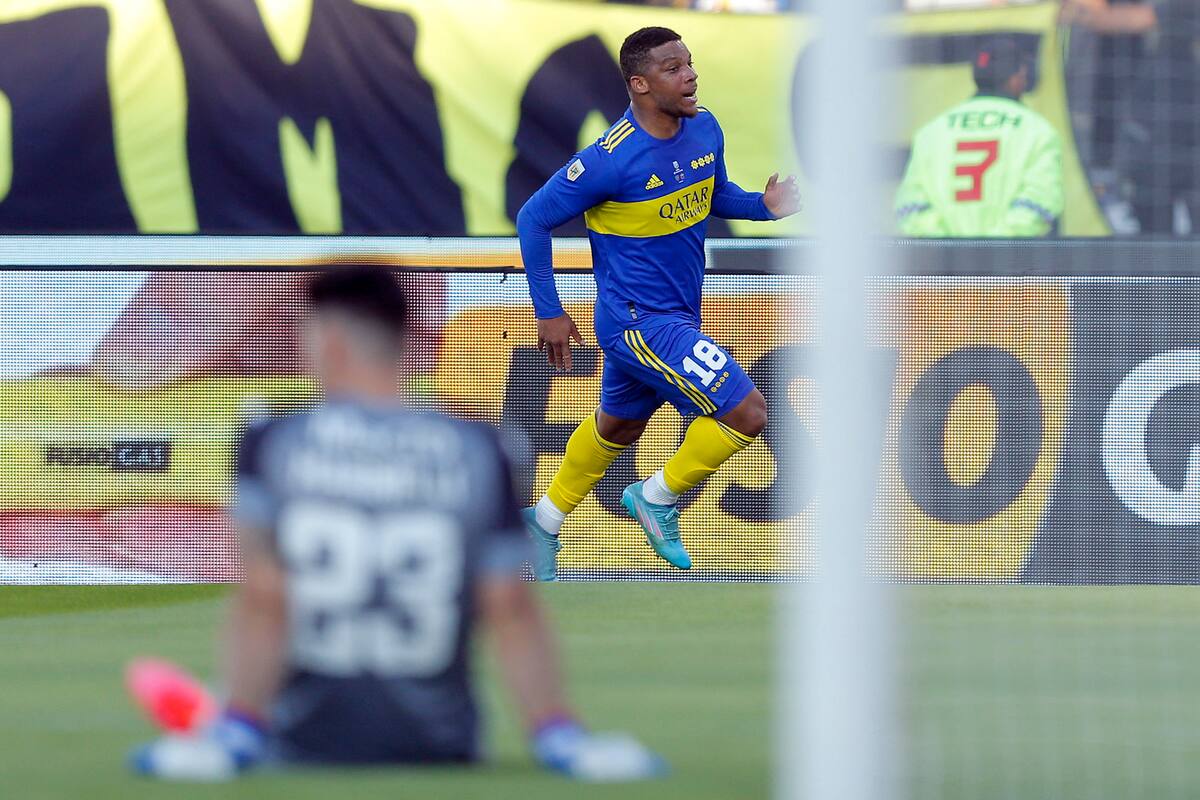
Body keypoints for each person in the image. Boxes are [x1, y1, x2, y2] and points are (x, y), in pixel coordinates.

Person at [129, 267, 662, 781]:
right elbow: (509, 605)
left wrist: (237, 731)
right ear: (407, 341)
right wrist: (558, 734)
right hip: (438, 747)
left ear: (330, 341)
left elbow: (265, 597)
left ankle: (230, 721)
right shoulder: (479, 448)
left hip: (304, 745)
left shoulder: (274, 441)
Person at [515, 26, 801, 580]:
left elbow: (712, 193)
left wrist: (762, 207)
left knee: (618, 428)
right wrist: (548, 310)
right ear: (640, 84)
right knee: (748, 412)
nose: (690, 76)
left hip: (676, 314)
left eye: (689, 63)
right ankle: (656, 497)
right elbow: (533, 218)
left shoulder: (705, 127)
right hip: (638, 322)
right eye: (673, 69)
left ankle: (543, 522)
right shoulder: (609, 160)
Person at [894, 36, 1064, 237]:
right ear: (1019, 76)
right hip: (1011, 256)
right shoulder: (1038, 131)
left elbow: (911, 207)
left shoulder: (931, 132)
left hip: (944, 256)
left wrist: (950, 249)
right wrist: (992, 249)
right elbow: (1040, 204)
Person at [1061, 0, 1200, 234]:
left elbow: (1128, 19)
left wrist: (1075, 11)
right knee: (1155, 218)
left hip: (1174, 127)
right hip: (1160, 128)